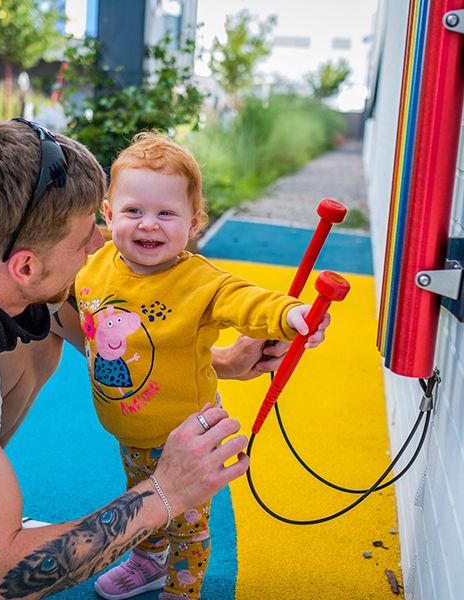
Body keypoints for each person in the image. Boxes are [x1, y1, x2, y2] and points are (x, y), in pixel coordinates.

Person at [0, 119, 316, 599]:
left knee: (39, 329)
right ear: (25, 265)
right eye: (84, 236)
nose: (99, 245)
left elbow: (81, 322)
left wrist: (219, 361)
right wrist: (166, 491)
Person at [73, 132, 330, 600]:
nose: (148, 225)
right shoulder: (96, 264)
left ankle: (181, 589)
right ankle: (148, 562)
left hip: (186, 434)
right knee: (143, 499)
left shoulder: (199, 281)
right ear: (108, 215)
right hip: (128, 429)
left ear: (194, 223)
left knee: (187, 520)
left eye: (166, 213)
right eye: (134, 211)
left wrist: (293, 315)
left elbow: (247, 299)